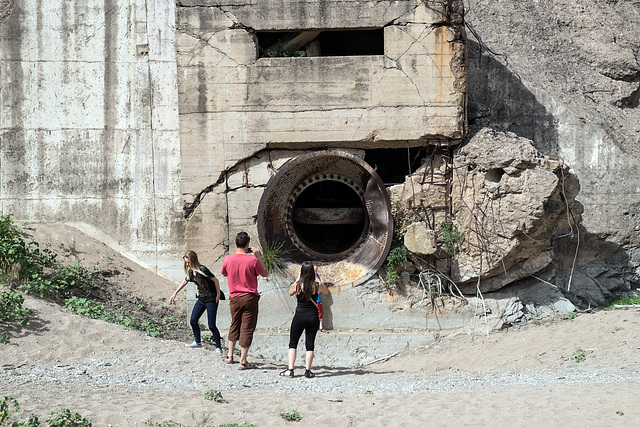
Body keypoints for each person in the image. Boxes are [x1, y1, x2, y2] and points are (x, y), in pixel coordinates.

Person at [221, 231, 267, 370]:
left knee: (234, 323)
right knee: (247, 327)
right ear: (247, 244)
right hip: (249, 297)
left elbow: (224, 273)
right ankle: (243, 361)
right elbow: (265, 273)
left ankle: (230, 355)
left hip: (234, 297)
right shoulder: (252, 260)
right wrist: (258, 257)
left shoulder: (228, 259)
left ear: (236, 244)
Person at [280, 261, 329, 378]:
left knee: (293, 343)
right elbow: (326, 292)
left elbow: (290, 293)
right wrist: (316, 278)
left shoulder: (297, 285)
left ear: (302, 272)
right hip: (313, 317)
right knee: (310, 344)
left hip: (299, 316)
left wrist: (298, 278)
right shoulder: (317, 285)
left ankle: (290, 370)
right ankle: (307, 371)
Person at [169, 250, 223, 353]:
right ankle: (197, 342)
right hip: (201, 299)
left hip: (211, 299)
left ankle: (218, 347)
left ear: (193, 260)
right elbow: (185, 281)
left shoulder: (202, 270)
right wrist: (175, 293)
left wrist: (218, 295)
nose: (187, 264)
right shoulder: (190, 272)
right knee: (193, 321)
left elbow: (215, 280)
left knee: (211, 325)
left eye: (188, 262)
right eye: (186, 262)